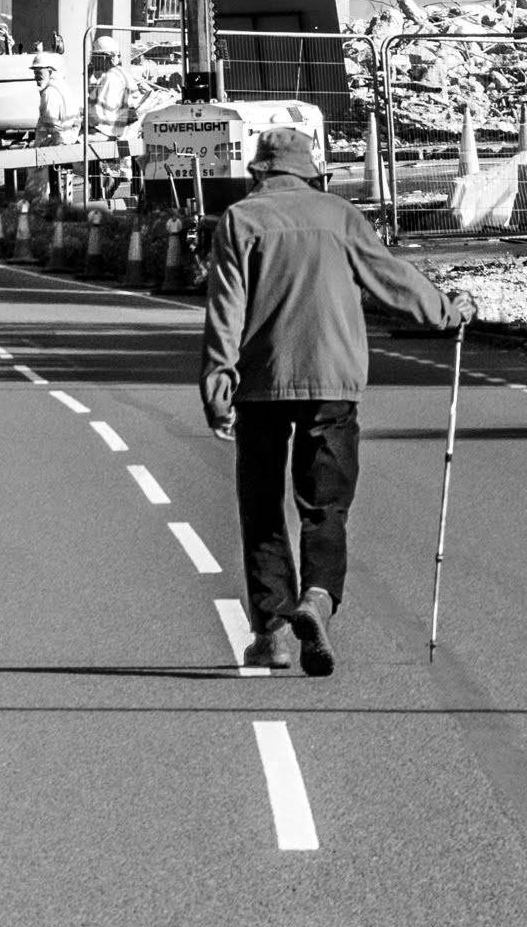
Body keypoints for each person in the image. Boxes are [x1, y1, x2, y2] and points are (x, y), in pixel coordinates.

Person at [202, 124, 475, 675]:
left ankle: (273, 633)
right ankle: (318, 598)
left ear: (259, 173)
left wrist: (217, 386)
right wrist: (449, 310)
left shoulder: (240, 220)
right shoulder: (340, 216)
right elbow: (391, 279)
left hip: (262, 383)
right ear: (312, 171)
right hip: (333, 382)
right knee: (325, 505)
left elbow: (225, 309)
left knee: (261, 506)